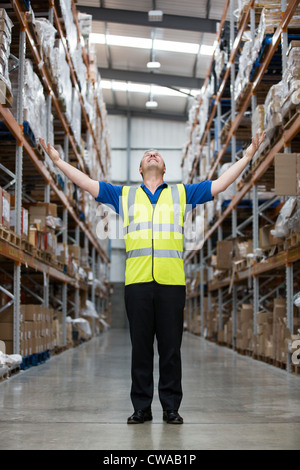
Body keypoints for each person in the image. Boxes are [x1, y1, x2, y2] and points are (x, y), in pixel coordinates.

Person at [39, 132, 265, 425]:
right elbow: (87, 183)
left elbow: (220, 184)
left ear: (165, 169)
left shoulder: (182, 194)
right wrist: (58, 162)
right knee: (141, 348)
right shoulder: (125, 195)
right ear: (140, 169)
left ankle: (171, 407)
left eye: (157, 153)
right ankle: (141, 408)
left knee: (171, 349)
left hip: (172, 283)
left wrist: (247, 157)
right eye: (147, 153)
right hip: (137, 283)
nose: (153, 154)